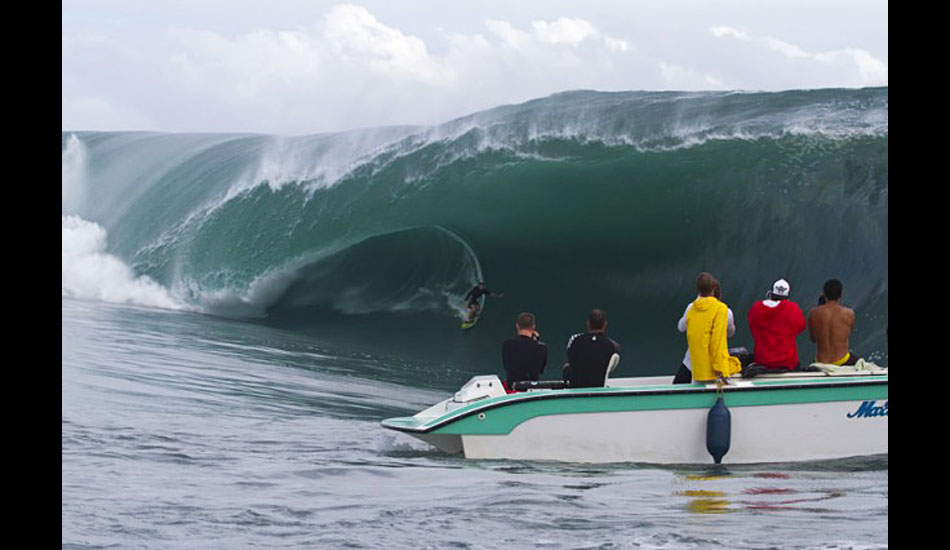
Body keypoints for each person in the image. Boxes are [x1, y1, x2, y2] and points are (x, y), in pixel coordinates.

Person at [674, 279, 736, 384]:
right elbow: (731, 333)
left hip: (692, 362)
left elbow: (681, 327)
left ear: (699, 291)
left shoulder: (691, 308)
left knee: (678, 386)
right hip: (715, 366)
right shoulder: (725, 311)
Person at [747, 278, 807, 371]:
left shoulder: (756, 308)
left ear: (771, 293)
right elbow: (801, 326)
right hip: (787, 362)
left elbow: (752, 325)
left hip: (762, 361)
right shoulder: (793, 309)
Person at [808, 279, 861, 365]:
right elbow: (847, 334)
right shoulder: (849, 313)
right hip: (842, 361)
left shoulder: (813, 313)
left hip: (821, 362)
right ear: (841, 295)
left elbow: (813, 339)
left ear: (824, 294)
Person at [563, 309, 620, 388]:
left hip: (575, 389)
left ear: (588, 324)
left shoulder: (575, 340)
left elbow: (570, 358)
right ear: (605, 325)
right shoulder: (612, 346)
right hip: (599, 389)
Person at [501, 312, 548, 391]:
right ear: (533, 327)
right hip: (532, 390)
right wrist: (536, 340)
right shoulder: (541, 347)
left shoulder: (507, 345)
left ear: (517, 326)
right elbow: (540, 370)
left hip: (512, 389)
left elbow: (506, 366)